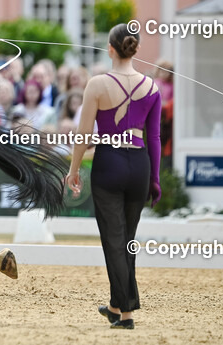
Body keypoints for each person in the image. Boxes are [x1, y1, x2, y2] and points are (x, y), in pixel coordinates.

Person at [66, 23, 161, 330]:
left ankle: (127, 313)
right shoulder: (152, 87)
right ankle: (115, 306)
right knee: (127, 240)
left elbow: (83, 134)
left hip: (109, 162)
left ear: (110, 49)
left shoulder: (96, 84)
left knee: (113, 240)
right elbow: (155, 138)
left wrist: (74, 169)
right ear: (135, 49)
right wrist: (155, 178)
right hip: (139, 162)